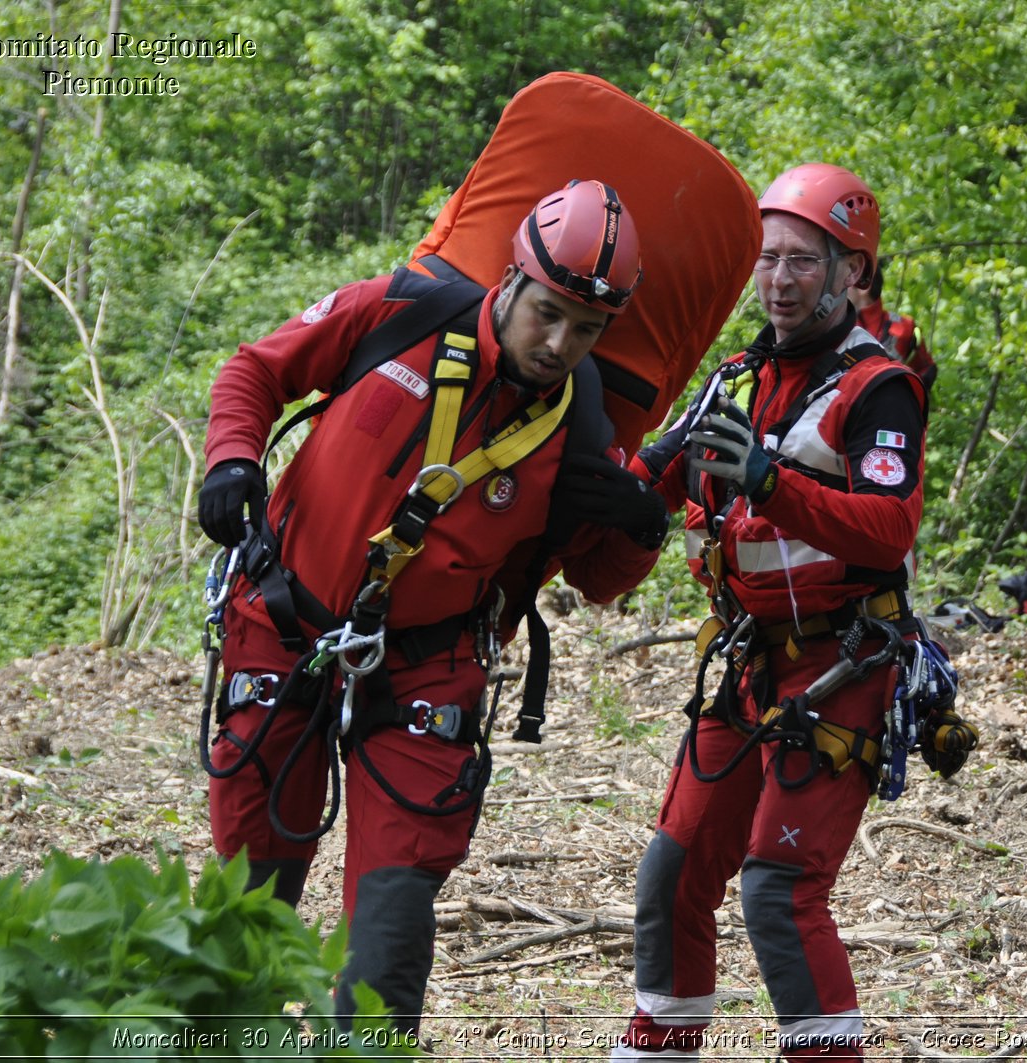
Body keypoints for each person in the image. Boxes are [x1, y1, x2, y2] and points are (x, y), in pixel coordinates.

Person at [196, 179, 669, 1034]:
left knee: (390, 920)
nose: (561, 343)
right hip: (283, 622)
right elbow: (256, 369)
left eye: (588, 329)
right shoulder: (401, 312)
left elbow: (599, 580)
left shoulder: (582, 427)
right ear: (513, 280)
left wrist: (641, 524)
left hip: (426, 664)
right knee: (248, 899)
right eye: (549, 315)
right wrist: (231, 460)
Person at [608, 163, 974, 1061]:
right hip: (748, 661)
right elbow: (645, 489)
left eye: (803, 263)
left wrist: (772, 480)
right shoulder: (735, 373)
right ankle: (660, 1045)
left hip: (845, 663)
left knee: (778, 887)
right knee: (675, 872)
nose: (778, 280)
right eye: (767, 260)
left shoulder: (878, 388)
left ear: (852, 274)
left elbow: (888, 532)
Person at [849, 264, 938, 392]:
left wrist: (903, 396)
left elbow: (927, 371)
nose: (840, 287)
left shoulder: (905, 329)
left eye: (848, 281)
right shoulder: (836, 326)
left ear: (864, 287)